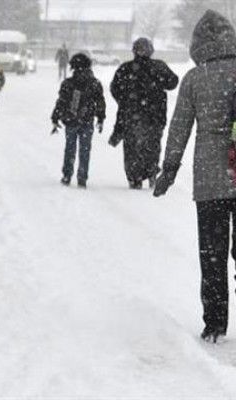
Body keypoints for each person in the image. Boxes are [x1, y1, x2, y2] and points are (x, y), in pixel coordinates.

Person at [153, 10, 236, 343]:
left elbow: (179, 128)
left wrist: (168, 170)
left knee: (212, 254)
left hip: (211, 179)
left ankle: (215, 323)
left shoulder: (194, 78)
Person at [109, 38, 179, 189]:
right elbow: (173, 82)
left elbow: (114, 89)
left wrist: (125, 101)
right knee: (152, 146)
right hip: (155, 116)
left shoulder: (125, 69)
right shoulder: (159, 66)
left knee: (132, 148)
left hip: (131, 116)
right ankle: (151, 172)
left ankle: (135, 178)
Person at [51, 53, 106, 188]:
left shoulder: (68, 83)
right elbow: (100, 102)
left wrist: (55, 117)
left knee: (70, 148)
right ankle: (82, 177)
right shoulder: (95, 83)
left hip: (71, 120)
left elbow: (61, 102)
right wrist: (100, 118)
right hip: (87, 121)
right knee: (85, 150)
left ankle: (67, 175)